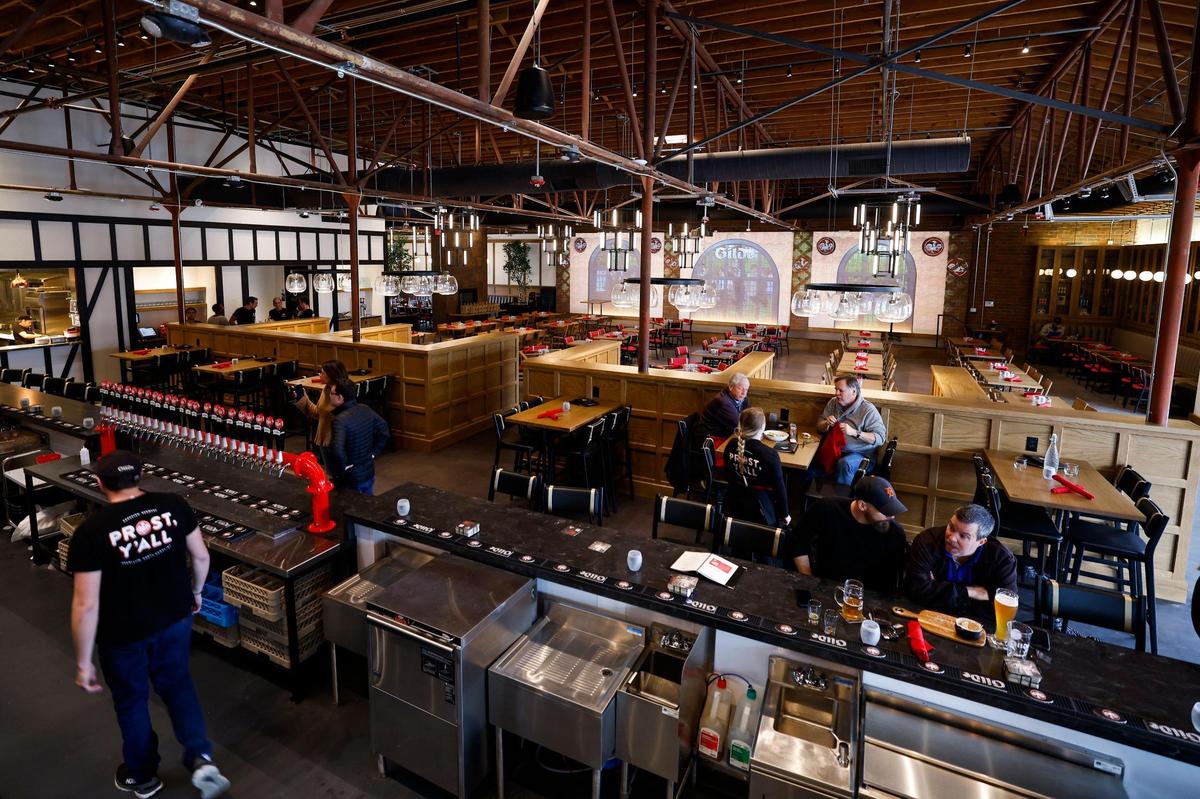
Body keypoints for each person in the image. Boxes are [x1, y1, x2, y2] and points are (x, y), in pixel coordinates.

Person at [67, 450, 231, 799]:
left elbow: (86, 603)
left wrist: (82, 663)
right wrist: (197, 592)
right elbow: (201, 556)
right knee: (177, 685)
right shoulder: (173, 505)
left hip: (124, 634)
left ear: (99, 483)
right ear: (140, 477)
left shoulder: (92, 532)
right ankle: (201, 756)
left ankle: (142, 776)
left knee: (132, 700)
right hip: (175, 616)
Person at [791, 476, 908, 589]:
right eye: (885, 511)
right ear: (862, 505)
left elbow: (891, 582)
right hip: (826, 586)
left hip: (868, 597)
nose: (892, 516)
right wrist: (808, 579)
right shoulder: (827, 509)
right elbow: (798, 542)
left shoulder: (895, 534)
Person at [905, 503, 1018, 614]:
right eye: (951, 527)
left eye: (963, 536)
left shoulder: (1002, 560)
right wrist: (971, 592)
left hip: (975, 622)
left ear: (981, 542)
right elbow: (916, 591)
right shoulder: (926, 542)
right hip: (927, 613)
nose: (952, 538)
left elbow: (1002, 609)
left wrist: (936, 588)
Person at [723, 407, 790, 527]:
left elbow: (728, 475)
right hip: (762, 509)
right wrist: (785, 514)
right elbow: (779, 487)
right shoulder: (770, 455)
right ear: (762, 427)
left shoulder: (730, 445)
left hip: (734, 502)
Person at [815, 374, 886, 485]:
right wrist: (826, 423)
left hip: (860, 454)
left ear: (853, 391)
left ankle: (843, 499)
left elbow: (880, 438)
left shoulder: (868, 410)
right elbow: (819, 426)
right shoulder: (833, 403)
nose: (836, 394)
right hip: (834, 450)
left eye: (841, 391)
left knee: (845, 464)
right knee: (811, 463)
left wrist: (855, 432)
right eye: (836, 390)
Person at [328, 377, 390, 494]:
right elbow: (384, 430)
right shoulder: (365, 409)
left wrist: (343, 469)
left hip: (351, 479)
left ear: (340, 397)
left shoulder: (339, 420)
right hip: (368, 471)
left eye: (331, 393)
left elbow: (337, 450)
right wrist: (373, 453)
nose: (329, 396)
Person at [288, 359, 351, 468]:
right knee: (330, 472)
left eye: (322, 373)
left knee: (338, 473)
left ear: (331, 375)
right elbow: (318, 413)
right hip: (324, 440)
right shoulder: (326, 389)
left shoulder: (338, 394)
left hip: (336, 441)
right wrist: (302, 398)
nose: (319, 375)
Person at [700, 372, 750, 440]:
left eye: (746, 389)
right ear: (730, 386)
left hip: (726, 433)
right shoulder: (723, 402)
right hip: (711, 438)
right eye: (740, 388)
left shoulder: (742, 398)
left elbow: (750, 415)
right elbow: (739, 424)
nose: (744, 393)